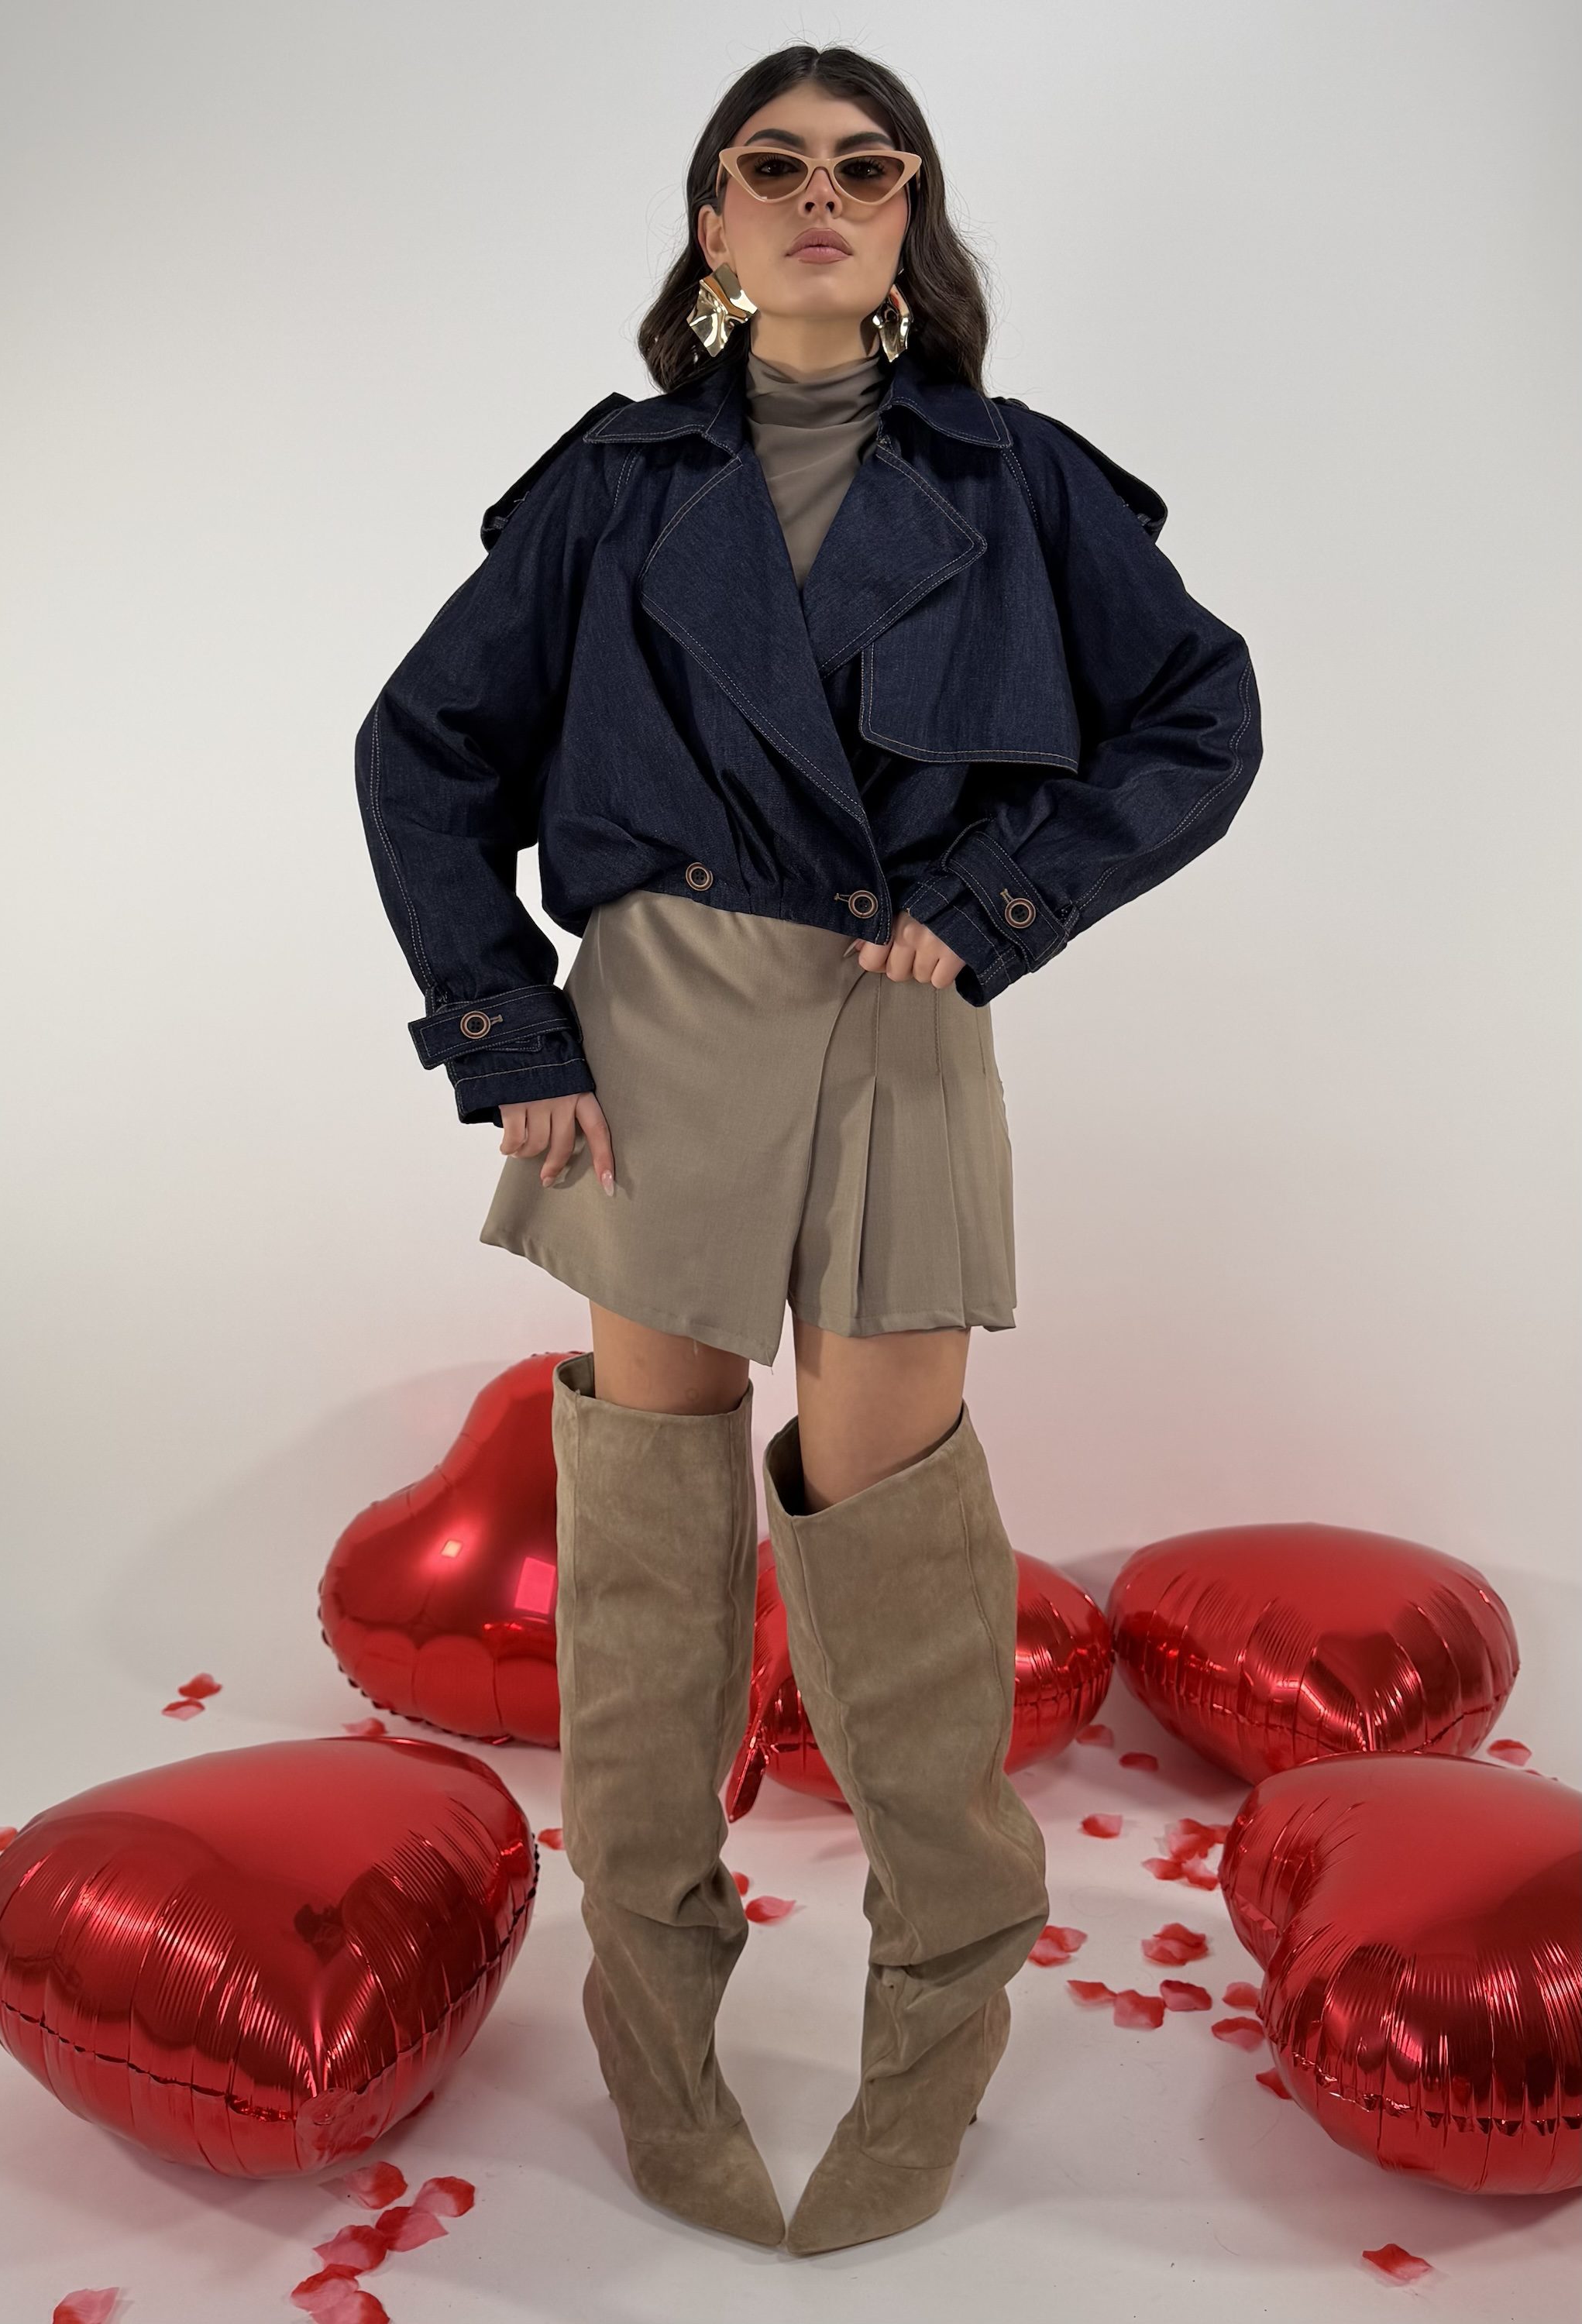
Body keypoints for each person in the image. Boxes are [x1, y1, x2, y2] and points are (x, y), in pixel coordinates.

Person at [354, 43, 1262, 2257]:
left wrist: (1002, 903)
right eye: (772, 167)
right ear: (714, 225)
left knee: (896, 1538)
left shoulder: (1021, 480)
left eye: (867, 166)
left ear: (910, 216)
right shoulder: (611, 483)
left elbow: (1201, 711)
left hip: (897, 1022)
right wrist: (507, 1023)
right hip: (659, 1018)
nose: (820, 195)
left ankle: (937, 2023)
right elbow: (421, 748)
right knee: (649, 1541)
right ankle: (656, 2036)